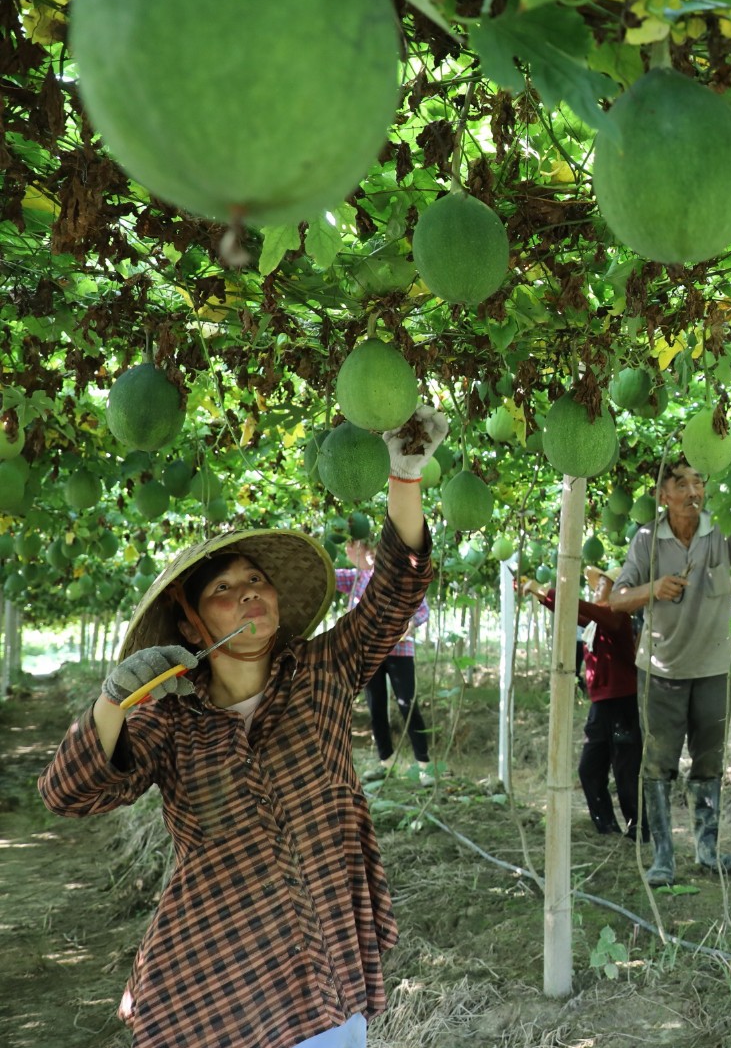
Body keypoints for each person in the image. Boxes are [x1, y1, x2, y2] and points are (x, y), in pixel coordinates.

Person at [37, 407, 448, 1048]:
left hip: (327, 967)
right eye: (223, 589)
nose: (247, 593)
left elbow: (394, 592)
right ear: (191, 626)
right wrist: (114, 701)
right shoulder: (169, 722)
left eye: (255, 580)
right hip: (222, 981)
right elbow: (68, 793)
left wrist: (404, 475)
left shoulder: (322, 671)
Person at [608, 455, 731, 886]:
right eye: (681, 484)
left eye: (699, 483)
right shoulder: (647, 540)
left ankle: (706, 850)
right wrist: (654, 589)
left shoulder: (721, 528)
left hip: (712, 669)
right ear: (662, 495)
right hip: (661, 670)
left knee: (709, 763)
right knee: (659, 764)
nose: (693, 493)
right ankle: (663, 856)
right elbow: (617, 598)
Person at [536, 565, 644, 838]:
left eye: (603, 585)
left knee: (626, 771)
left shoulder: (618, 618)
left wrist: (549, 592)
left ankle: (639, 831)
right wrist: (539, 595)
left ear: (620, 591)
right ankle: (606, 828)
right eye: (596, 585)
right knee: (589, 769)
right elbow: (571, 612)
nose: (596, 588)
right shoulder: (597, 622)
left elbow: (579, 607)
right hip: (601, 707)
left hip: (623, 707)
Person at [336, 537, 434, 785]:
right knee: (376, 706)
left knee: (407, 704)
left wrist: (410, 623)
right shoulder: (357, 577)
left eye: (377, 552)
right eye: (369, 552)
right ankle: (386, 763)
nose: (373, 558)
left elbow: (423, 609)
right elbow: (326, 575)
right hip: (368, 651)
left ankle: (425, 765)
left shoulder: (403, 579)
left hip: (399, 651)